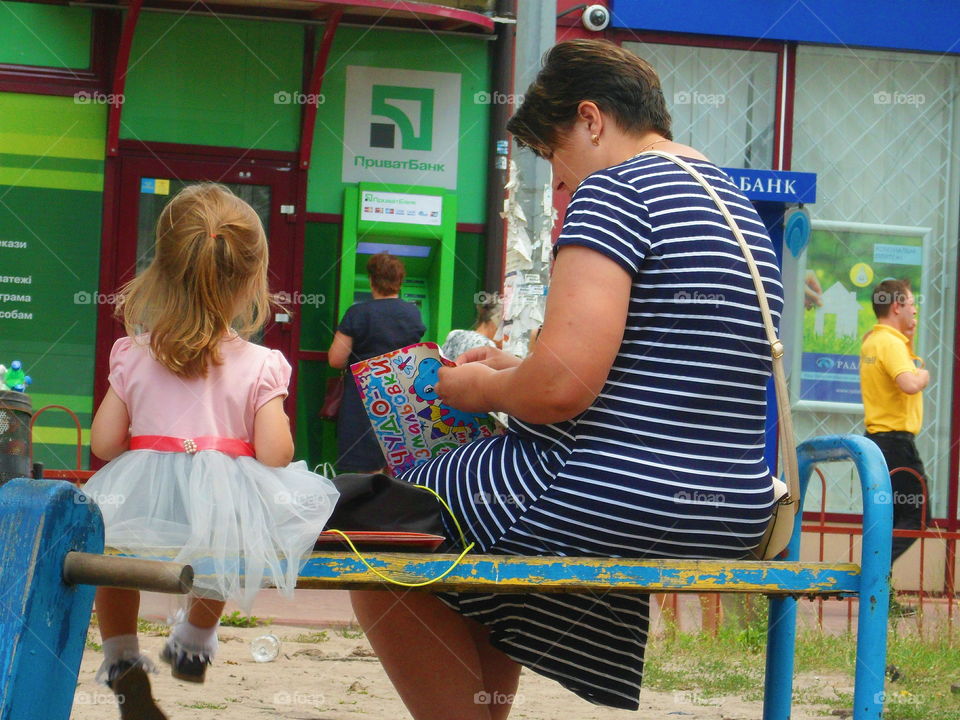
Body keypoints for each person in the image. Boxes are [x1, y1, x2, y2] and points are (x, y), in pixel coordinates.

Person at [349, 39, 783, 719]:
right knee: (476, 565)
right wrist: (518, 370)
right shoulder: (732, 204)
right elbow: (649, 377)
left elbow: (562, 388)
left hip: (617, 493)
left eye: (556, 158)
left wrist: (477, 389)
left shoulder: (617, 190)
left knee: (373, 538)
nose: (562, 183)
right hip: (730, 507)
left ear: (590, 120)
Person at [82, 183, 339, 720]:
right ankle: (195, 640)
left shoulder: (132, 352)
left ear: (162, 270)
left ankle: (123, 659)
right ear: (250, 281)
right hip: (221, 494)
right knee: (231, 543)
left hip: (142, 493)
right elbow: (274, 453)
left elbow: (104, 444)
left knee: (113, 561)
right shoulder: (261, 363)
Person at [327, 252, 425, 472]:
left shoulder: (358, 313)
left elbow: (336, 359)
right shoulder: (413, 313)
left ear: (371, 280)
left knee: (364, 471)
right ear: (399, 282)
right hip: (401, 395)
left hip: (363, 398)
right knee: (397, 463)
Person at [860, 279, 929, 570]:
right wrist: (924, 375)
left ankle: (880, 593)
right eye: (912, 304)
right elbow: (909, 383)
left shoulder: (873, 340)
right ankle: (871, 578)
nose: (915, 310)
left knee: (888, 516)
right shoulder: (889, 342)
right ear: (896, 305)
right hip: (896, 444)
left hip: (878, 442)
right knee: (917, 516)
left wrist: (908, 338)